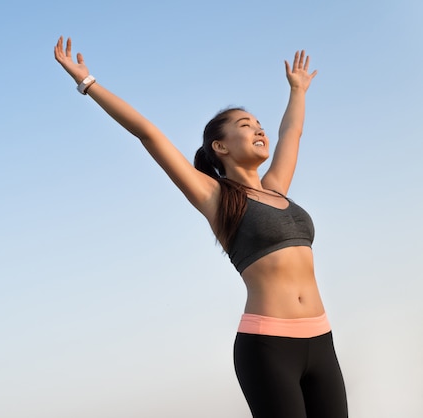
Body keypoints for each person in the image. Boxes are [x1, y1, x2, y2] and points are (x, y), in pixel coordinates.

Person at [54, 36, 348, 418]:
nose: (259, 130)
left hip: (321, 339)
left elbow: (291, 134)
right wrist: (87, 83)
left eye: (259, 124)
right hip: (269, 344)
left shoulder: (277, 189)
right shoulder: (217, 197)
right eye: (246, 125)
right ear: (220, 147)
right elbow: (148, 133)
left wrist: (297, 91)